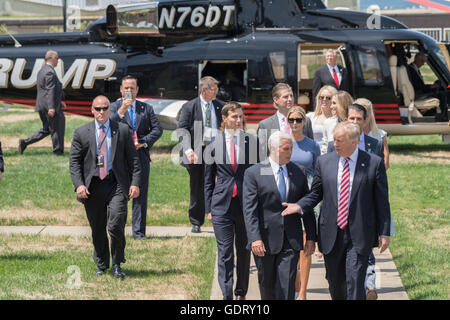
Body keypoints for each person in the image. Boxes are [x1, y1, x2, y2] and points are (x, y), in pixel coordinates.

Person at [282, 121, 391, 300]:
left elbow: (381, 201)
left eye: (339, 140)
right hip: (331, 233)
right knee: (335, 282)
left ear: (354, 142)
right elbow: (316, 193)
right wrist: (299, 205)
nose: (335, 144)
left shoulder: (373, 163)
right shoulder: (324, 162)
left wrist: (384, 232)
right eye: (334, 140)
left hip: (360, 232)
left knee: (355, 281)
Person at [69, 95, 141, 278]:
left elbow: (134, 160)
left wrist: (135, 183)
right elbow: (75, 163)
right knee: (97, 227)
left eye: (105, 108)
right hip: (92, 186)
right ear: (91, 110)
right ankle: (101, 263)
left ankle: (117, 263)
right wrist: (79, 185)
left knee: (116, 224)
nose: (101, 112)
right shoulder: (81, 132)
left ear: (110, 109)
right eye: (98, 109)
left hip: (115, 183)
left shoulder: (122, 130)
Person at [243, 131, 316, 300]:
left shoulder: (298, 172)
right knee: (267, 287)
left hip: (291, 240)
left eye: (291, 149)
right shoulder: (255, 173)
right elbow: (250, 210)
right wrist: (255, 238)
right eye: (286, 149)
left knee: (287, 286)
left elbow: (306, 205)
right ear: (273, 149)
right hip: (264, 241)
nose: (290, 152)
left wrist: (311, 236)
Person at [204, 102, 258, 300]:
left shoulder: (251, 142)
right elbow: (208, 180)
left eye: (240, 117)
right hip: (221, 205)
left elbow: (258, 174)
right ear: (224, 118)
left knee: (244, 251)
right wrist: (209, 207)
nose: (238, 120)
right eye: (234, 117)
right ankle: (226, 296)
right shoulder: (213, 144)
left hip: (246, 205)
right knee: (225, 252)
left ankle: (240, 292)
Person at [110, 75, 163, 239]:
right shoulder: (113, 107)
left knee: (140, 194)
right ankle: (117, 230)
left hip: (140, 155)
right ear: (121, 89)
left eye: (132, 88)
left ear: (137, 90)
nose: (129, 91)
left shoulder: (145, 108)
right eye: (126, 88)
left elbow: (157, 129)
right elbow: (108, 125)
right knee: (119, 194)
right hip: (120, 156)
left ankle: (138, 232)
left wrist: (144, 142)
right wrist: (122, 111)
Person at [177, 76, 224, 233]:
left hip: (216, 151)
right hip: (196, 152)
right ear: (204, 90)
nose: (217, 92)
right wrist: (188, 150)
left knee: (219, 185)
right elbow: (182, 130)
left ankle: (218, 217)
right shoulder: (190, 107)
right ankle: (196, 221)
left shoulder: (220, 106)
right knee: (197, 187)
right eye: (214, 89)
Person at [286, 107, 320, 300]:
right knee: (291, 243)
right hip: (287, 195)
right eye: (292, 120)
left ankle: (304, 291)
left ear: (304, 122)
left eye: (299, 120)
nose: (295, 124)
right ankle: (295, 280)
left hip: (306, 197)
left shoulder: (312, 146)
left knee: (307, 242)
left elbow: (318, 173)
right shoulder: (283, 141)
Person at [19, 50, 66, 156]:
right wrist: (51, 107)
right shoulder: (50, 71)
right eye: (57, 58)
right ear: (52, 58)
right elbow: (50, 89)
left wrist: (60, 101)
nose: (58, 61)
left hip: (42, 105)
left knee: (47, 129)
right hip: (49, 106)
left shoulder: (42, 70)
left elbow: (45, 90)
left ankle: (25, 142)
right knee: (57, 128)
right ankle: (58, 152)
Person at [257, 83, 313, 158]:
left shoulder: (305, 121)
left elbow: (311, 148)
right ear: (276, 100)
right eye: (286, 97)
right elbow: (262, 155)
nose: (290, 99)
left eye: (291, 96)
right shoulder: (265, 125)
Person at [406, 52, 448, 121]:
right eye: (422, 61)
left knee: (438, 91)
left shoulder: (414, 69)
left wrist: (431, 86)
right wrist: (431, 87)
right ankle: (443, 117)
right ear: (416, 59)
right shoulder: (411, 70)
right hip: (417, 94)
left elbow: (419, 85)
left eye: (424, 62)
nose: (422, 64)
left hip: (418, 92)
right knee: (441, 94)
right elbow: (418, 86)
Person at [355, 98, 390, 170]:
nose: (363, 119)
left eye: (366, 116)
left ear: (371, 115)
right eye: (359, 116)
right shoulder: (349, 134)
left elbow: (386, 162)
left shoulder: (380, 135)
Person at [306, 85, 337, 154]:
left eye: (328, 98)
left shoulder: (337, 119)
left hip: (330, 155)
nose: (324, 99)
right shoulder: (309, 117)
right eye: (321, 97)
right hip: (312, 155)